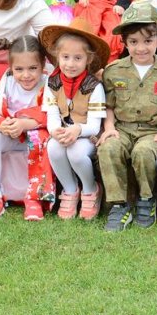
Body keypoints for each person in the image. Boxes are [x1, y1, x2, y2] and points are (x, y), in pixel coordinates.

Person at [98, 2, 157, 232]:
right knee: (108, 148)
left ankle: (147, 199)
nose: (141, 48)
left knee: (144, 152)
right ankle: (119, 205)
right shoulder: (114, 70)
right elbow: (109, 104)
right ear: (125, 42)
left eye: (148, 41)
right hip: (122, 128)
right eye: (134, 42)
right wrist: (109, 127)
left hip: (152, 131)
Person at [0, 36, 54, 222]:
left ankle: (34, 198)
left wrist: (24, 124)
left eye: (32, 68)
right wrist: (1, 123)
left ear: (42, 64)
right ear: (11, 67)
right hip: (10, 133)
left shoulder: (48, 83)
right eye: (19, 69)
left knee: (39, 138)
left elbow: (52, 113)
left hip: (33, 135)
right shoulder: (6, 83)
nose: (26, 75)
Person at [39, 18, 109, 221]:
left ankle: (90, 189)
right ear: (57, 56)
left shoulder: (94, 86)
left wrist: (78, 129)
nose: (70, 64)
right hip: (64, 132)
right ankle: (70, 190)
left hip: (87, 136)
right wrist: (56, 131)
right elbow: (52, 114)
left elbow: (94, 125)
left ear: (88, 59)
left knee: (76, 152)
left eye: (78, 58)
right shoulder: (52, 83)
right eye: (66, 57)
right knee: (54, 147)